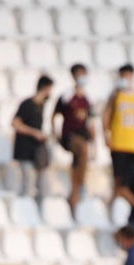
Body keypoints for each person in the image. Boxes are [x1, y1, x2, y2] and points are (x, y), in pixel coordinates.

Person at [104, 64, 134, 198]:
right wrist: (107, 134)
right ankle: (116, 203)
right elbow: (106, 115)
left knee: (133, 178)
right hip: (118, 142)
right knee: (118, 178)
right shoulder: (115, 94)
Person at [54, 64, 94, 211]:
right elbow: (55, 114)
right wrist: (56, 133)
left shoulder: (87, 99)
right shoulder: (67, 95)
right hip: (69, 135)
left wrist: (94, 141)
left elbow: (90, 121)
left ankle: (75, 192)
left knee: (79, 161)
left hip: (83, 135)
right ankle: (79, 186)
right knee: (82, 150)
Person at [12, 75, 54, 200]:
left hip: (36, 151)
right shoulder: (28, 104)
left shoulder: (41, 106)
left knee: (42, 184)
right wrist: (34, 133)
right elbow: (15, 123)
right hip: (25, 150)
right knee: (28, 185)